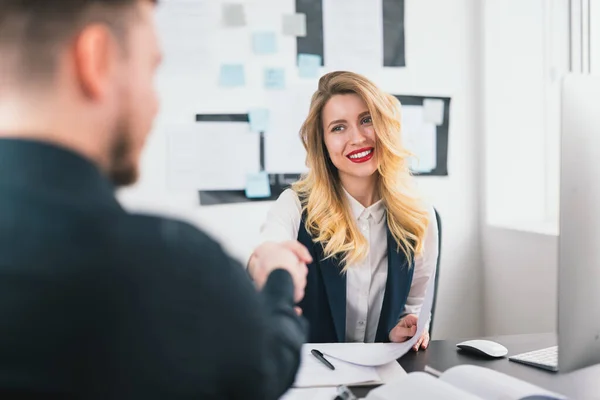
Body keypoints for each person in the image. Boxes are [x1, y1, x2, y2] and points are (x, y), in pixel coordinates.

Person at [0, 0, 310, 398]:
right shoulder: (177, 269)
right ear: (97, 60)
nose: (155, 101)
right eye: (151, 68)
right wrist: (279, 282)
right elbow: (265, 367)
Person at [248, 71, 439, 349]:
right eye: (338, 127)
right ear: (323, 144)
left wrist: (404, 328)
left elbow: (414, 306)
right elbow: (266, 251)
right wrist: (269, 264)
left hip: (382, 375)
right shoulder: (294, 204)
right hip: (311, 375)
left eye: (367, 120)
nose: (358, 137)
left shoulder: (418, 213)